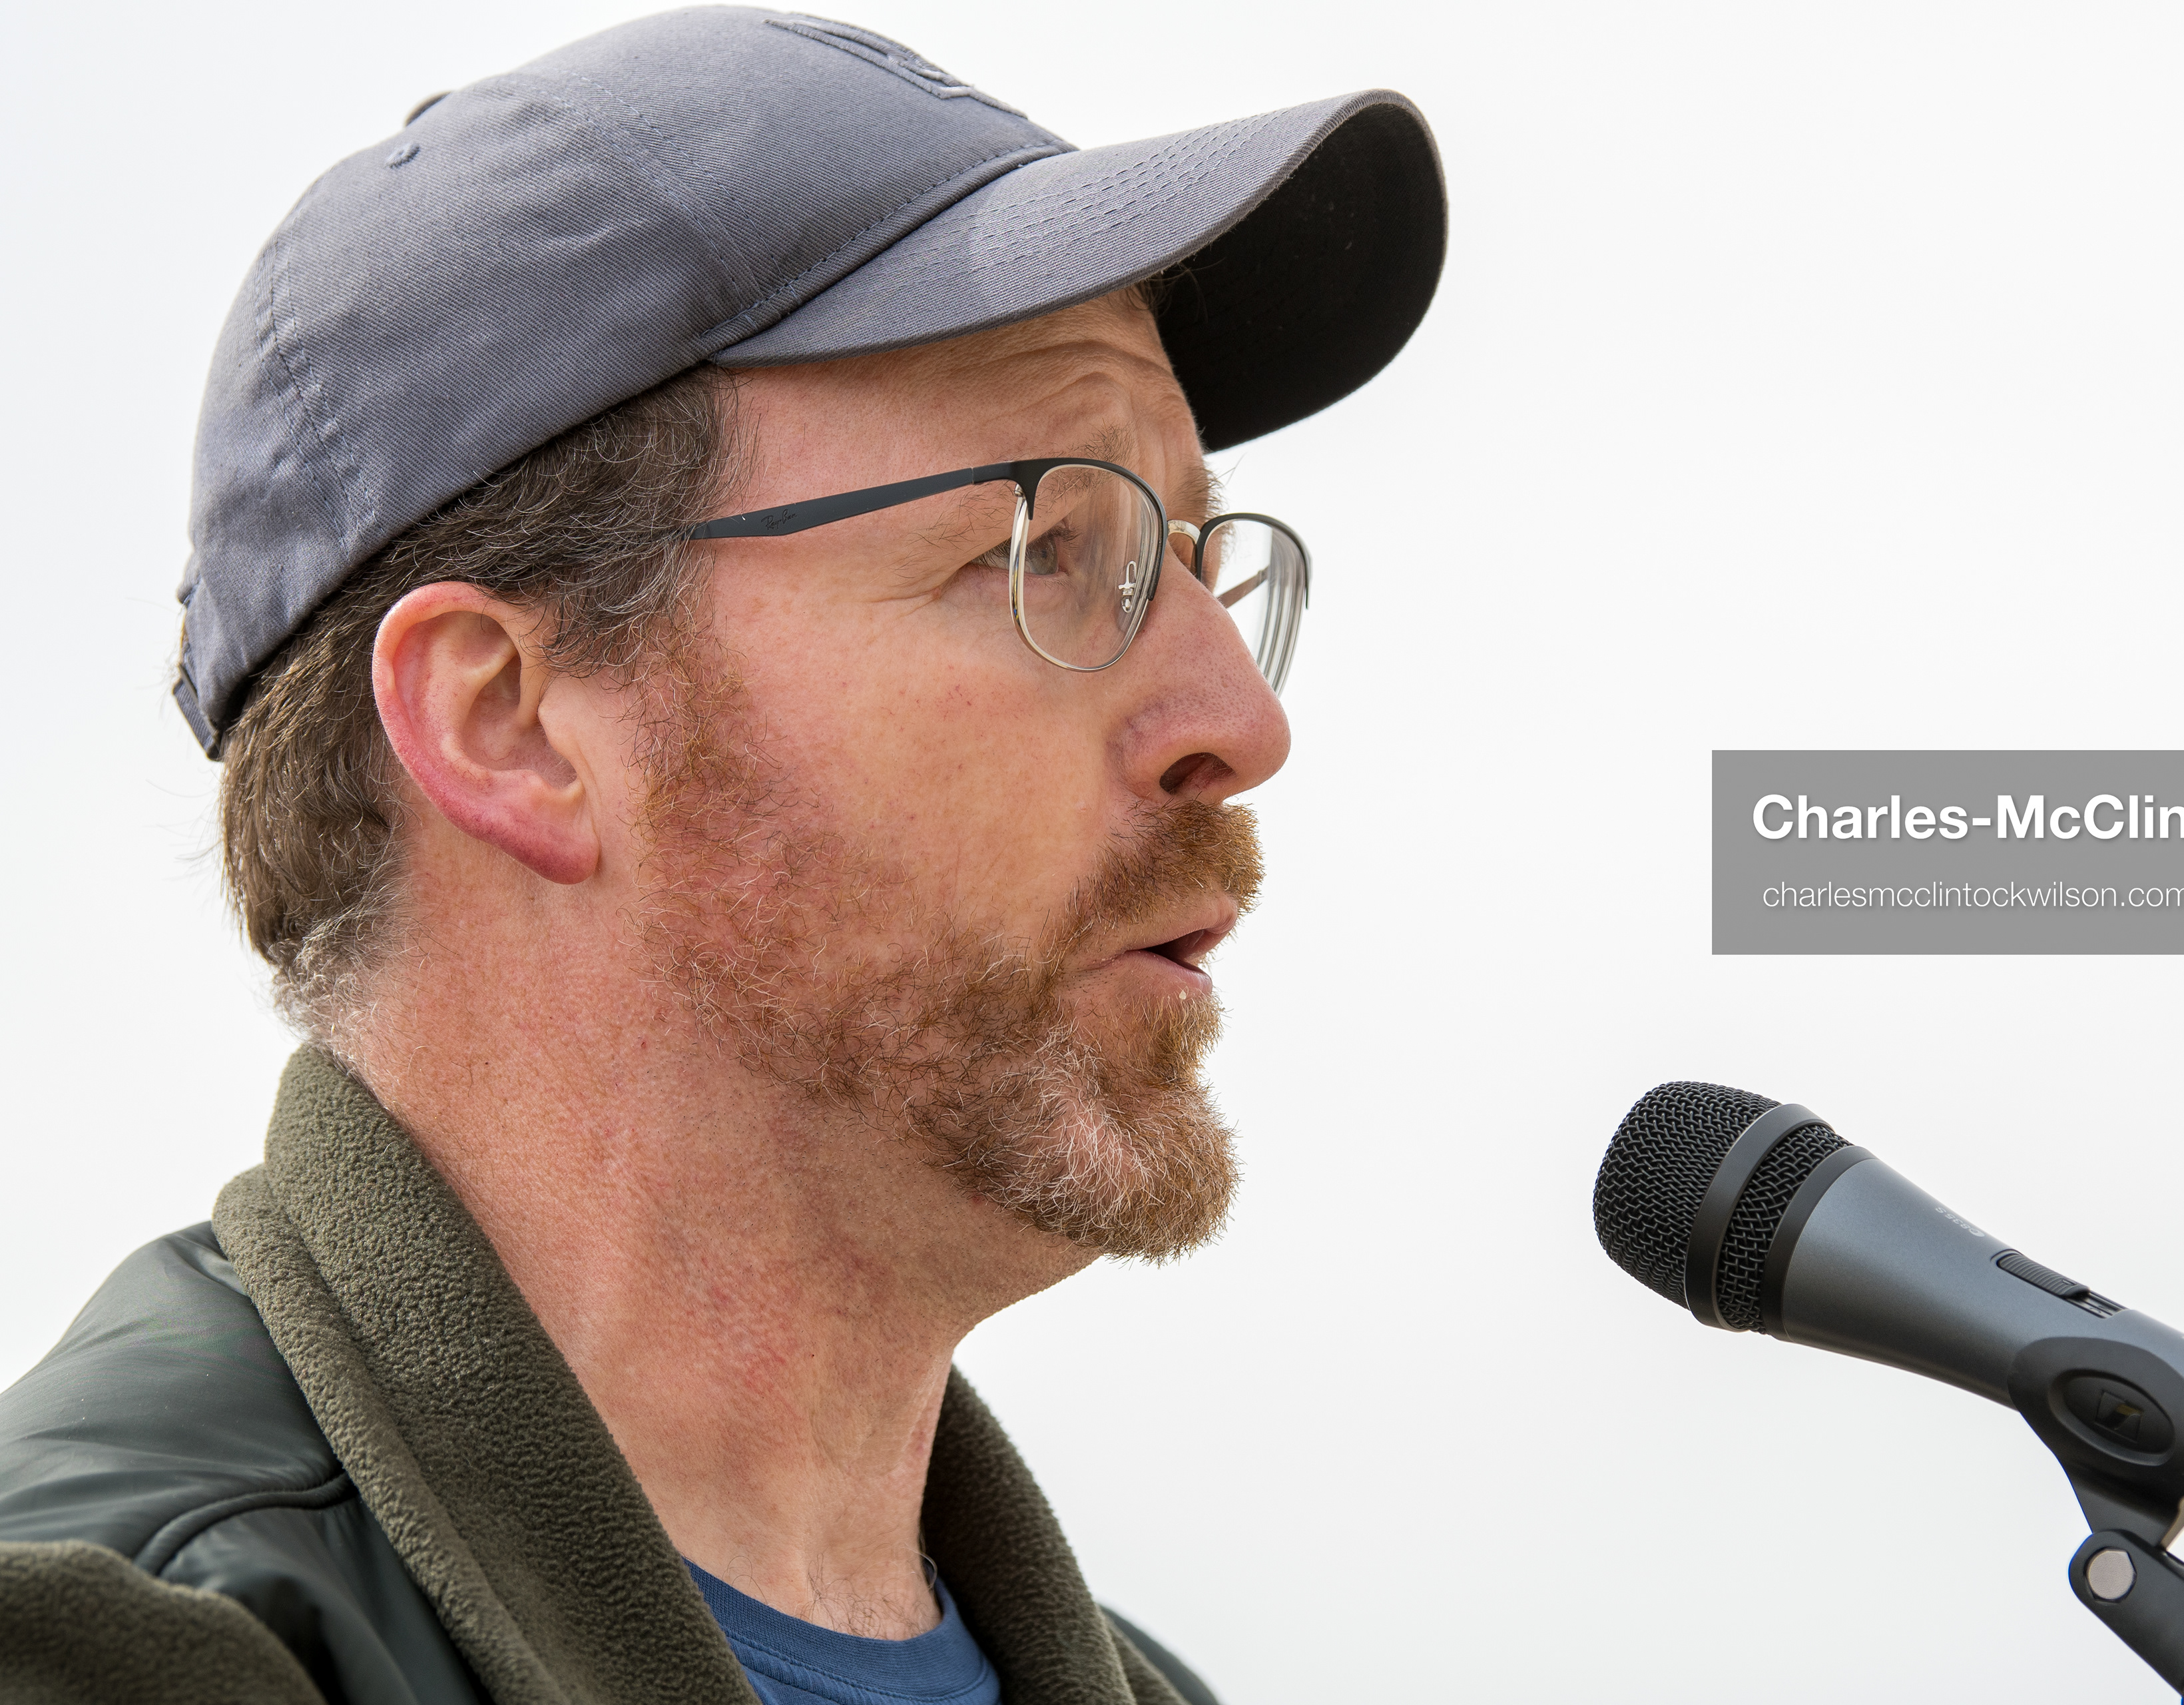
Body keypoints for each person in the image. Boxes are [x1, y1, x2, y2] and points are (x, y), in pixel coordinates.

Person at [0, 11, 1444, 1703]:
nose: (1239, 719)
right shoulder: (124, 1648)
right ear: (509, 725)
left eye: (1198, 557)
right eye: (1052, 547)